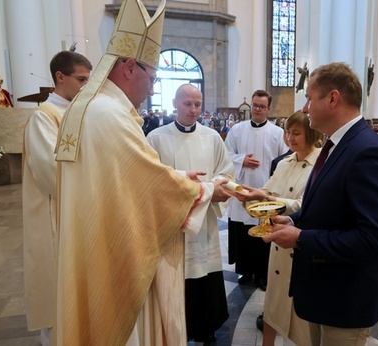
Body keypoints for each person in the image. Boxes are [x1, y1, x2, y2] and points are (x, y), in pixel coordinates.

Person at [53, 0, 216, 344]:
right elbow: (149, 186)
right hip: (115, 261)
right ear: (129, 68)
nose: (153, 89)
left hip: (93, 241)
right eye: (152, 78)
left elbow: (128, 179)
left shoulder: (91, 108)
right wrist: (204, 190)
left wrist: (176, 178)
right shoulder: (109, 115)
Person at [266, 62, 378, 345]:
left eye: (309, 99)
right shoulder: (335, 145)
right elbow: (328, 209)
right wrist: (294, 220)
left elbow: (375, 241)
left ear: (333, 99)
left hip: (347, 298)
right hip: (323, 291)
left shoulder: (368, 151)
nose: (304, 108)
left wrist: (301, 237)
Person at [146, 83, 233, 343]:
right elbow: (151, 179)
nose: (194, 110)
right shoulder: (155, 138)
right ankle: (176, 330)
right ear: (175, 103)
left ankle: (206, 328)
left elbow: (225, 171)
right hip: (173, 224)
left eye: (198, 104)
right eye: (187, 104)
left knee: (204, 273)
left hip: (203, 223)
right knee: (177, 277)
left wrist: (215, 188)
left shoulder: (212, 136)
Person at [22, 50, 92, 346]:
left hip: (81, 213)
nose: (86, 86)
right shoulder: (43, 117)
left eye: (89, 80)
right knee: (59, 295)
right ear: (59, 77)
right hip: (57, 216)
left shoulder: (82, 113)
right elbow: (50, 171)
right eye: (81, 80)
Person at [235, 110, 322, 346]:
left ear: (311, 134)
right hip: (278, 243)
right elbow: (269, 191)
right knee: (273, 304)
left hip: (300, 242)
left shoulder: (321, 164)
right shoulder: (285, 162)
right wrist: (254, 195)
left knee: (300, 316)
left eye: (296, 133)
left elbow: (306, 205)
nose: (290, 138)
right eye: (287, 132)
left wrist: (273, 203)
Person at [224, 89, 288, 290]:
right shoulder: (237, 130)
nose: (257, 109)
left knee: (265, 233)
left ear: (269, 108)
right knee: (242, 233)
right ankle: (245, 270)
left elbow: (285, 161)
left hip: (266, 191)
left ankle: (262, 273)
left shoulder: (278, 133)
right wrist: (241, 160)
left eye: (261, 106)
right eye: (255, 105)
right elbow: (226, 155)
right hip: (242, 190)